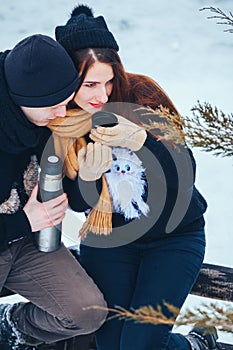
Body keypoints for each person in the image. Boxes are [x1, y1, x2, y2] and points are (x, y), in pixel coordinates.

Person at [52, 5, 221, 350]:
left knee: (138, 345)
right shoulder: (62, 120)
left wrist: (142, 142)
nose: (102, 95)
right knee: (110, 342)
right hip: (110, 237)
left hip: (173, 236)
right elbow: (79, 204)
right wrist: (87, 176)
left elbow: (183, 179)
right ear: (70, 82)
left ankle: (197, 344)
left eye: (110, 80)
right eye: (91, 84)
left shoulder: (142, 96)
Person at [0, 34, 108, 349]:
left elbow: (73, 200)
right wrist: (24, 221)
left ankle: (12, 326)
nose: (63, 114)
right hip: (19, 228)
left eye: (66, 102)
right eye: (54, 106)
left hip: (27, 244)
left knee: (87, 313)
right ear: (24, 99)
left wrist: (87, 177)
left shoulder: (50, 120)